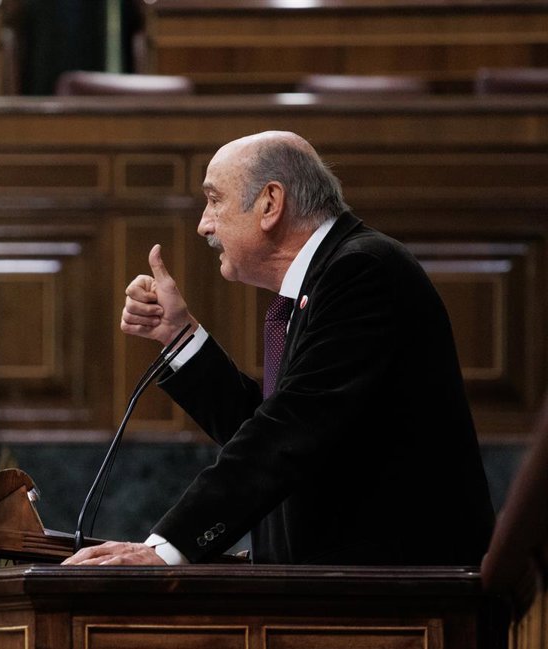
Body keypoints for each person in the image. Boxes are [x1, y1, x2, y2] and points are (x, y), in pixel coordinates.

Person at [64, 131, 493, 567]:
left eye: (214, 200)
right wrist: (178, 336)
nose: (204, 224)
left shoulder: (362, 272)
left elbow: (289, 429)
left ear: (270, 203)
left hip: (402, 589)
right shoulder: (330, 276)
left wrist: (168, 548)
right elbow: (274, 429)